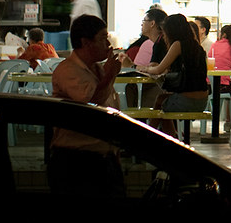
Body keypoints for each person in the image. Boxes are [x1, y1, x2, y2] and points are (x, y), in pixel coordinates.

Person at [48, 14, 124, 196]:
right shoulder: (68, 70)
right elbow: (91, 103)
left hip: (105, 158)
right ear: (86, 42)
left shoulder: (97, 68)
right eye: (102, 38)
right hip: (77, 161)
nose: (108, 44)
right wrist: (110, 76)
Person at [136, 13, 210, 137]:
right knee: (164, 103)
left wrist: (144, 69)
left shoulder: (178, 45)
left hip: (188, 100)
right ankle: (172, 136)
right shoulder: (197, 47)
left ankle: (148, 136)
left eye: (165, 32)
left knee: (160, 101)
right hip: (203, 100)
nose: (164, 35)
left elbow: (158, 69)